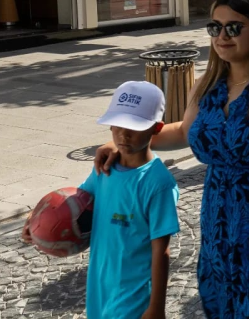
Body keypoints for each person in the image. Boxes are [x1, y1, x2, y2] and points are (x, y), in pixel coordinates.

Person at [95, 0, 249, 318]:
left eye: (234, 27)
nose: (222, 36)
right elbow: (183, 132)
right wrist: (123, 142)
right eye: (214, 27)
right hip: (219, 228)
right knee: (219, 308)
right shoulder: (207, 84)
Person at [75, 82, 180, 319]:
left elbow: (161, 251)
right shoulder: (104, 169)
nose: (124, 134)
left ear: (157, 127)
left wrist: (156, 307)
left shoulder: (159, 183)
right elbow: (76, 202)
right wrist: (38, 219)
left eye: (134, 126)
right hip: (99, 288)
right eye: (118, 124)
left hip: (133, 297)